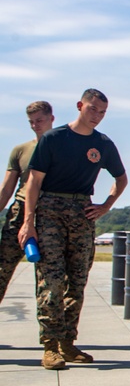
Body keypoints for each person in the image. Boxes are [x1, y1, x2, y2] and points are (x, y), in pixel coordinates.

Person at [18, 90, 128, 370]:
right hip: (50, 211)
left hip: (82, 213)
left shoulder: (102, 144)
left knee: (76, 282)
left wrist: (106, 205)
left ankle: (68, 343)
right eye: (93, 109)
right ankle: (50, 346)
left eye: (102, 112)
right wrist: (28, 222)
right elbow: (34, 182)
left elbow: (121, 178)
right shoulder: (54, 138)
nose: (97, 116)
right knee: (51, 282)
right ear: (80, 106)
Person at [0, 101, 54, 304]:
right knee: (2, 269)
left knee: (50, 279)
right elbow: (6, 188)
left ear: (51, 119)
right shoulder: (20, 150)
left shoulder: (61, 147)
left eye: (39, 120)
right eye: (31, 122)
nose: (35, 125)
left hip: (49, 212)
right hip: (20, 209)